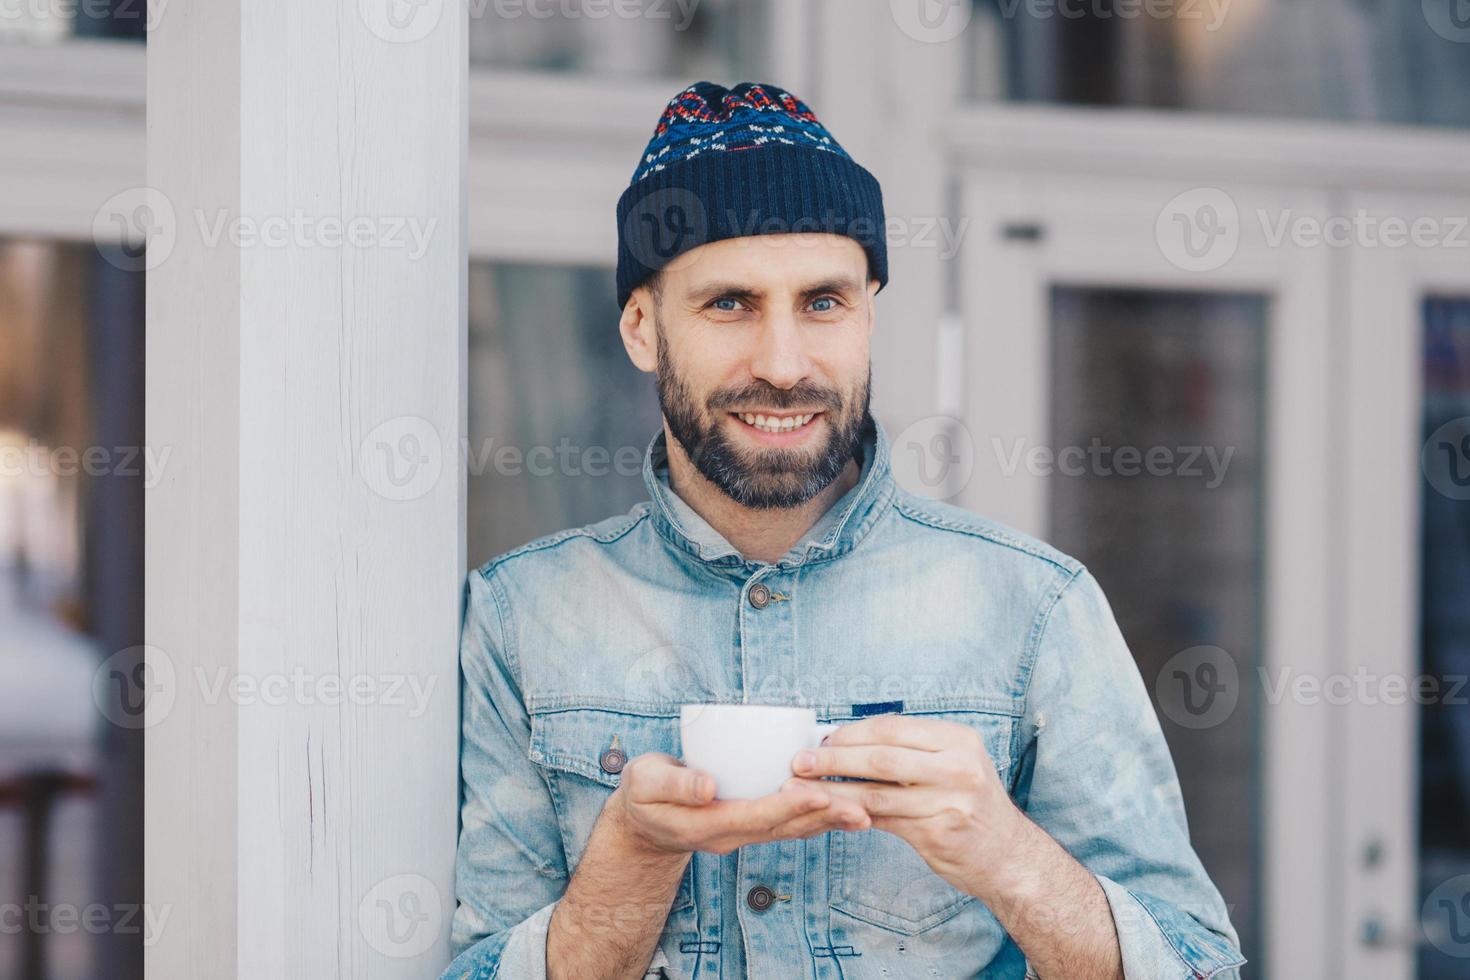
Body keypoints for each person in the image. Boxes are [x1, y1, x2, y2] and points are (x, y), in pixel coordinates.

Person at [442, 81, 1245, 980]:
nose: (783, 367)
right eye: (729, 304)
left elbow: (1197, 967)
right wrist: (631, 855)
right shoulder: (519, 617)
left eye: (822, 302)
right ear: (640, 327)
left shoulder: (1035, 607)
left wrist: (1007, 855)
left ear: (868, 313)